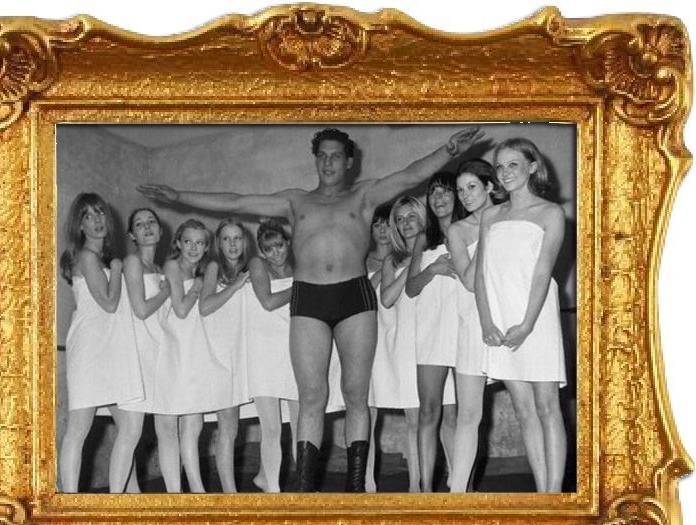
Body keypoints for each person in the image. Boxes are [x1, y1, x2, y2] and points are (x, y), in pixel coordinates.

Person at [138, 125, 482, 492]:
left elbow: (411, 175)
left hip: (354, 297)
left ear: (348, 162)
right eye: (323, 156)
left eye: (336, 155)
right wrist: (179, 197)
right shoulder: (295, 202)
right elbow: (236, 201)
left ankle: (355, 489)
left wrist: (448, 150)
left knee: (355, 395)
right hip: (309, 298)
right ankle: (304, 489)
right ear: (316, 161)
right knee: (311, 397)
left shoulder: (365, 195)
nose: (329, 162)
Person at [475, 138, 567, 492]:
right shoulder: (490, 215)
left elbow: (543, 271)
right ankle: (541, 491)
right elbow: (481, 275)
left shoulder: (550, 213)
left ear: (532, 166)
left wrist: (527, 324)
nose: (505, 172)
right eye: (500, 166)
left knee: (547, 406)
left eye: (513, 164)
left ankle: (554, 495)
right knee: (523, 408)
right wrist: (486, 321)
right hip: (499, 320)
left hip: (536, 317)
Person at [58, 193, 144, 493]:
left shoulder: (100, 259)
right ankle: (69, 503)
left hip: (114, 350)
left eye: (100, 213)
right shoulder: (86, 256)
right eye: (88, 216)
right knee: (78, 429)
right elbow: (108, 302)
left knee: (131, 426)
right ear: (79, 225)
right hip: (90, 350)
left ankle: (124, 497)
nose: (96, 220)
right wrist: (118, 269)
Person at [446, 159, 504, 493]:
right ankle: (456, 495)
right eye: (460, 190)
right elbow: (469, 281)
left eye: (472, 187)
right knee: (468, 415)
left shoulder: (510, 217)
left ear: (490, 186)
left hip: (508, 320)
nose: (465, 195)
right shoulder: (458, 230)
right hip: (472, 324)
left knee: (532, 407)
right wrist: (486, 232)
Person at [405, 172, 463, 491]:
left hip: (463, 325)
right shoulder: (422, 240)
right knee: (429, 411)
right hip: (431, 330)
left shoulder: (468, 230)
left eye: (445, 191)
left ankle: (462, 487)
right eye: (433, 192)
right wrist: (433, 269)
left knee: (463, 413)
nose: (439, 198)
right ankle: (426, 491)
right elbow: (411, 288)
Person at [152, 219, 215, 493]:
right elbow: (180, 309)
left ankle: (197, 492)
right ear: (178, 242)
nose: (193, 248)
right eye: (188, 241)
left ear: (207, 247)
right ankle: (174, 495)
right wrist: (198, 286)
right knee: (167, 425)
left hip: (193, 349)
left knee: (194, 424)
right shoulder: (172, 266)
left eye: (200, 243)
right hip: (170, 350)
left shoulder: (203, 272)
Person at [120, 208, 179, 491]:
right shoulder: (132, 262)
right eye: (139, 224)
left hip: (161, 353)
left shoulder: (162, 269)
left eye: (152, 222)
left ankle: (176, 498)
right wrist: (166, 292)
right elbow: (141, 310)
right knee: (131, 432)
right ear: (132, 235)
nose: (147, 227)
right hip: (136, 354)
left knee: (168, 429)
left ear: (161, 229)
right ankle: (113, 503)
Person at [373, 196, 424, 492]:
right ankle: (415, 486)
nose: (405, 224)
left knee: (448, 416)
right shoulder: (392, 259)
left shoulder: (436, 250)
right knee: (414, 417)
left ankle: (457, 484)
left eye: (411, 217)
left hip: (433, 336)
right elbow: (387, 298)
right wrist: (413, 264)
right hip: (406, 342)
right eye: (400, 219)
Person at [245, 220, 299, 492]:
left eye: (279, 245)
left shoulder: (299, 268)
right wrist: (302, 286)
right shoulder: (257, 265)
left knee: (302, 426)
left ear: (288, 243)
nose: (275, 253)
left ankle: (301, 486)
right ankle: (273, 491)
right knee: (272, 428)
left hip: (294, 350)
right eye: (268, 248)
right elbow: (267, 302)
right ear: (262, 251)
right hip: (263, 353)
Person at [199, 219, 251, 493]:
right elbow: (205, 307)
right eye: (227, 238)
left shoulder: (250, 269)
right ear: (218, 243)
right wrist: (235, 286)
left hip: (241, 353)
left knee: (233, 427)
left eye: (237, 238)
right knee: (227, 426)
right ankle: (230, 494)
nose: (232, 244)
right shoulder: (214, 268)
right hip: (218, 355)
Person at [364, 204, 394, 492]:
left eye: (387, 223)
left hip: (400, 336)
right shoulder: (361, 261)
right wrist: (381, 273)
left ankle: (418, 484)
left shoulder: (406, 255)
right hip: (371, 337)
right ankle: (367, 480)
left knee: (415, 410)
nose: (383, 230)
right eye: (377, 224)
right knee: (368, 412)